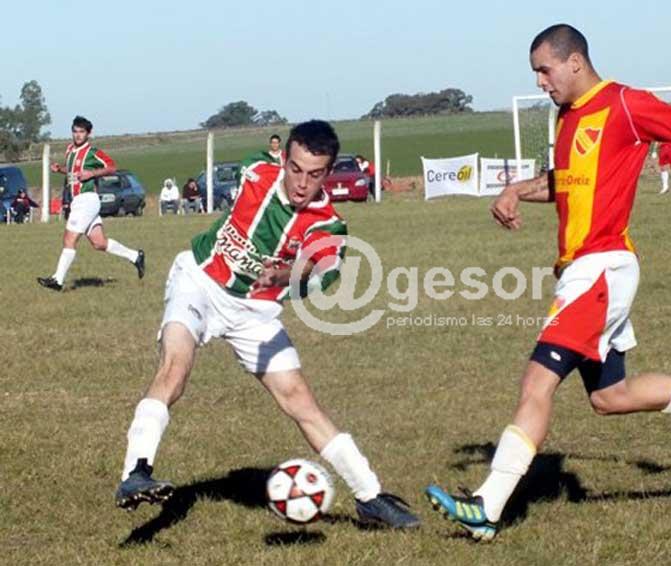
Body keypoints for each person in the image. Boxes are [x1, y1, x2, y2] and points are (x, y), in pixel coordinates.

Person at [425, 24, 671, 542]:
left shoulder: (625, 104)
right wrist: (518, 188)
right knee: (611, 397)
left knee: (537, 382)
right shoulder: (567, 117)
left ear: (575, 62)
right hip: (584, 272)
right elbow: (568, 184)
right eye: (536, 73)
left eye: (545, 70)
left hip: (601, 269)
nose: (541, 81)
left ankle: (488, 506)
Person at [114, 120, 419, 529]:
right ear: (283, 158)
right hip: (199, 280)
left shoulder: (327, 223)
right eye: (295, 169)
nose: (301, 183)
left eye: (314, 174)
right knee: (175, 365)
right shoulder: (256, 169)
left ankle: (370, 497)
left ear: (328, 174)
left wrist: (287, 273)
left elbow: (321, 266)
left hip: (253, 311)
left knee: (300, 399)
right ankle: (136, 473)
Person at [37, 116, 144, 291]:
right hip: (79, 201)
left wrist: (92, 174)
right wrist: (60, 170)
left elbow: (112, 167)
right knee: (99, 243)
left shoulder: (93, 152)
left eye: (81, 132)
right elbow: (74, 172)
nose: (78, 135)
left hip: (86, 199)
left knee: (69, 239)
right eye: (75, 131)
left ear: (88, 133)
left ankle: (57, 280)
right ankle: (135, 256)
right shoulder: (70, 150)